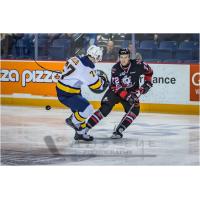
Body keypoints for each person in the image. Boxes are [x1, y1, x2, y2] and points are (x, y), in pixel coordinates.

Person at [85, 48, 153, 139]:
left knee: (135, 110)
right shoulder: (115, 69)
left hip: (131, 92)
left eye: (125, 57)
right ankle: (85, 129)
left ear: (129, 57)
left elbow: (149, 72)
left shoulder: (139, 64)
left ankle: (119, 130)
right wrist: (127, 96)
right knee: (105, 109)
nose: (123, 60)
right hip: (115, 92)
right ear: (119, 57)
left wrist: (147, 84)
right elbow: (116, 87)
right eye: (121, 57)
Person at [56, 45, 108, 141]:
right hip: (68, 94)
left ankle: (80, 133)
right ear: (96, 57)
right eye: (99, 57)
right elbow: (96, 86)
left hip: (65, 89)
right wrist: (103, 82)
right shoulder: (87, 69)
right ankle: (72, 121)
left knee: (79, 111)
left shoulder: (75, 58)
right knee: (87, 109)